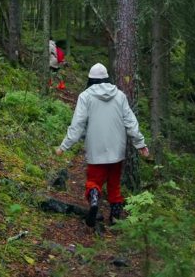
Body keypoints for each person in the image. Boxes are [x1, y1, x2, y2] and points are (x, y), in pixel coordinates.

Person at [55, 63, 149, 227]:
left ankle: (94, 199)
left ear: (90, 79)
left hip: (96, 148)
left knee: (94, 180)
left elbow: (77, 125)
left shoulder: (85, 96)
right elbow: (130, 122)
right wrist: (140, 143)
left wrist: (64, 146)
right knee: (114, 183)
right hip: (117, 149)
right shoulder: (119, 95)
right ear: (107, 78)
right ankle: (115, 217)